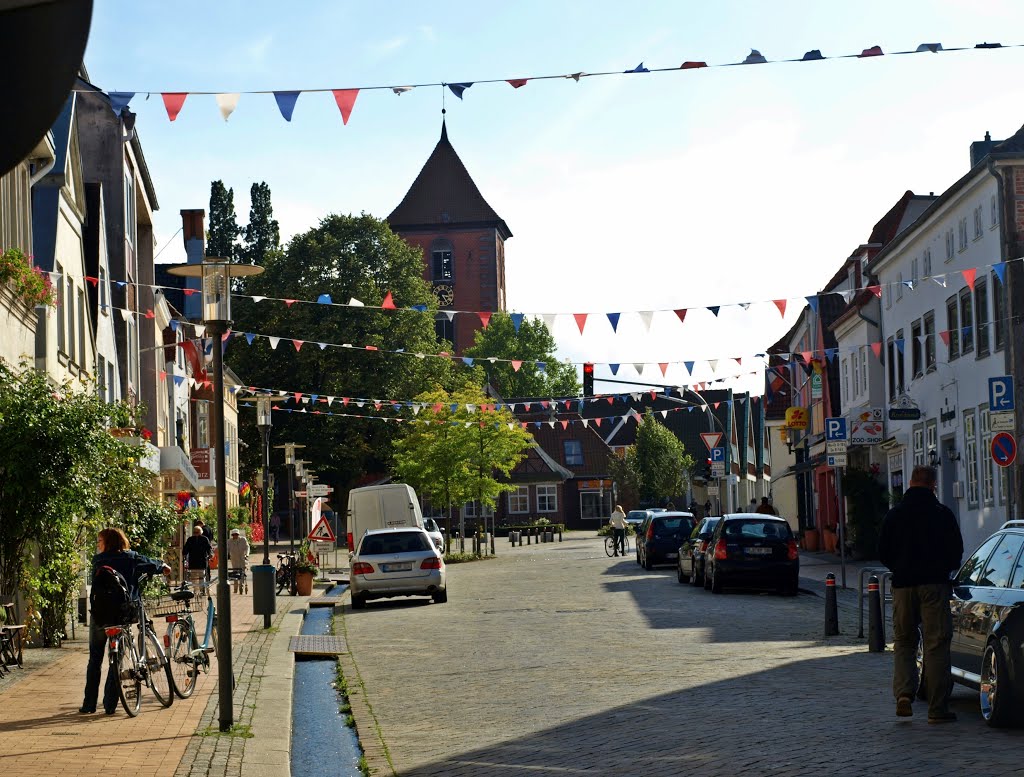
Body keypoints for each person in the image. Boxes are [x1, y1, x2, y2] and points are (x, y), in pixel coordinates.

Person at [878, 464, 963, 724]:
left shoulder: (895, 515)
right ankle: (937, 709)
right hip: (934, 586)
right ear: (933, 485)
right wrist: (941, 568)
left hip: (903, 586)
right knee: (936, 644)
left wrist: (900, 568)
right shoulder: (943, 514)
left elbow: (882, 551)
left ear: (911, 483)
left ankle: (904, 694)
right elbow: (956, 551)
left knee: (904, 642)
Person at [81, 527, 170, 715]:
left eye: (99, 541)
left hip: (100, 614)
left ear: (107, 542)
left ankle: (89, 704)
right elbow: (152, 564)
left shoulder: (98, 560)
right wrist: (163, 567)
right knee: (117, 660)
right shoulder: (131, 557)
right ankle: (110, 704)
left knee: (94, 659)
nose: (98, 544)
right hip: (122, 615)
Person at [183, 524, 213, 595]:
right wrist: (184, 553)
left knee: (201, 576)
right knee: (193, 577)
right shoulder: (190, 539)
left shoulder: (204, 539)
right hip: (193, 560)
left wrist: (210, 554)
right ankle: (195, 589)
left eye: (197, 532)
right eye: (195, 532)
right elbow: (186, 548)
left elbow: (208, 548)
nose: (196, 534)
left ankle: (202, 589)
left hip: (202, 560)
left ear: (201, 532)